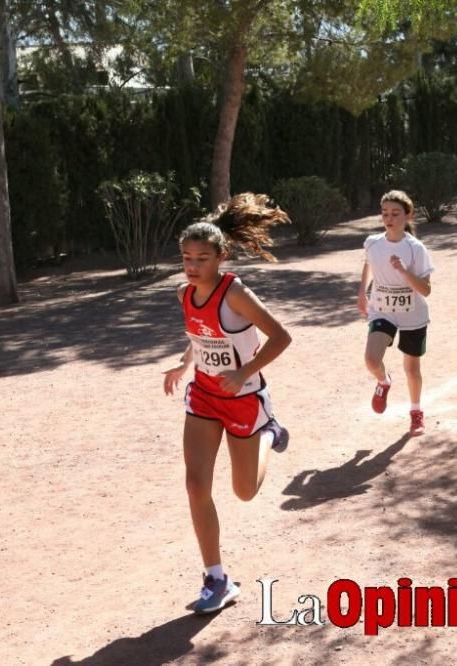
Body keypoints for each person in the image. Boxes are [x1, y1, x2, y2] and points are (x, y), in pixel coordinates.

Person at [163, 193, 293, 613]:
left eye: (201, 258)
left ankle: (270, 434)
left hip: (241, 398)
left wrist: (243, 372)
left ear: (220, 257)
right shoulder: (185, 293)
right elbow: (200, 335)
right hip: (203, 395)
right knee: (195, 483)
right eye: (186, 257)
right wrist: (183, 364)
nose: (192, 265)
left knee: (244, 492)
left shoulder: (235, 291)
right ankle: (216, 579)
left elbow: (281, 337)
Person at [358, 190, 434, 436]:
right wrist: (362, 293)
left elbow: (426, 289)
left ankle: (416, 412)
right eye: (385, 213)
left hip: (413, 313)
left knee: (412, 369)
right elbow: (368, 264)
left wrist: (403, 271)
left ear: (408, 215)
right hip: (382, 309)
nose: (389, 218)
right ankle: (383, 381)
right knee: (371, 360)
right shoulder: (373, 242)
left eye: (395, 213)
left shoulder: (416, 248)